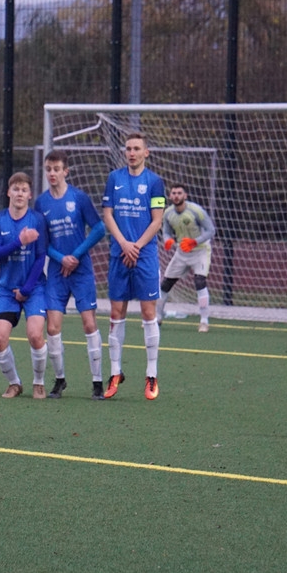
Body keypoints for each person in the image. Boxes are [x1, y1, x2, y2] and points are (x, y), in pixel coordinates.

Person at [33, 150, 107, 400]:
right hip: (57, 272)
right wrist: (61, 258)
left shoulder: (79, 198)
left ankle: (97, 382)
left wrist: (75, 256)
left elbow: (99, 229)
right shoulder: (41, 203)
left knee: (89, 323)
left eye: (56, 169)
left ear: (66, 171)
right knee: (53, 327)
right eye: (48, 169)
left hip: (81, 269)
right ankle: (60, 380)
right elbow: (42, 242)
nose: (52, 173)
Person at [101, 132, 166, 401]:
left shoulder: (155, 182)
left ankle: (151, 375)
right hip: (120, 253)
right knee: (116, 312)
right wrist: (124, 244)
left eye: (137, 148)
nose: (132, 153)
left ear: (145, 153)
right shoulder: (114, 179)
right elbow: (108, 215)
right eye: (128, 148)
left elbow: (157, 221)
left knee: (148, 313)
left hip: (145, 255)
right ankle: (115, 372)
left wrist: (135, 246)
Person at [0, 172, 49, 399]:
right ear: (8, 193)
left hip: (33, 289)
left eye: (24, 190)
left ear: (30, 195)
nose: (19, 194)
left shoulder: (37, 220)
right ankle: (14, 383)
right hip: (7, 290)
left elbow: (40, 257)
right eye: (16, 189)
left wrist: (26, 290)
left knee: (35, 335)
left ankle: (39, 383)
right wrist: (19, 242)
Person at [157, 183, 216, 333]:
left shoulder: (196, 211)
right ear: (170, 196)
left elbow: (211, 230)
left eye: (179, 193)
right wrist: (168, 240)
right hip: (181, 253)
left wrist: (194, 242)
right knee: (165, 284)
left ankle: (204, 321)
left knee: (200, 282)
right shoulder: (168, 213)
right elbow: (166, 232)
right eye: (174, 193)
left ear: (185, 195)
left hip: (200, 251)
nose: (176, 196)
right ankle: (157, 318)